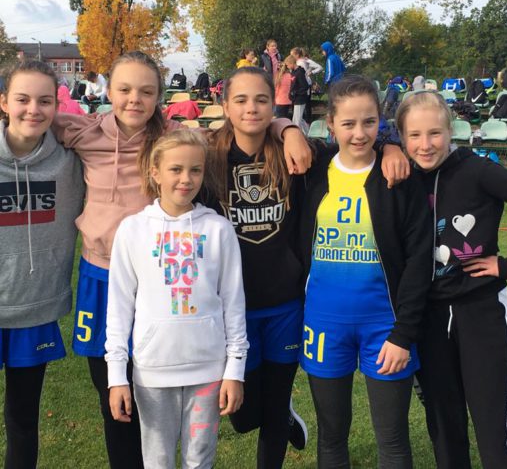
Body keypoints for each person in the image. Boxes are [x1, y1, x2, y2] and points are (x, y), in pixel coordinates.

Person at [52, 50, 312, 469]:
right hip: (104, 273)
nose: (134, 99)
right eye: (124, 89)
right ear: (109, 91)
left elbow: (244, 124)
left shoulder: (177, 136)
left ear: (159, 95)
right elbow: (33, 119)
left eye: (146, 91)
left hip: (174, 279)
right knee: (115, 398)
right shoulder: (84, 131)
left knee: (212, 406)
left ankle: (271, 409)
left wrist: (287, 126)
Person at [299, 75, 432, 468]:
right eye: (349, 123)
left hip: (385, 327)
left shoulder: (399, 176)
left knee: (392, 440)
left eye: (369, 122)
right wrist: (287, 129)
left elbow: (418, 260)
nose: (359, 133)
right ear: (330, 124)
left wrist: (403, 333)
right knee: (331, 437)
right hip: (324, 323)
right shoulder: (313, 171)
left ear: (380, 122)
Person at [105, 129, 248, 468]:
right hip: (152, 372)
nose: (186, 179)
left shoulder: (219, 230)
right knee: (157, 460)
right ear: (155, 172)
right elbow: (119, 307)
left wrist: (235, 369)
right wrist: (116, 376)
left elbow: (233, 303)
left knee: (200, 460)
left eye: (195, 170)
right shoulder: (133, 230)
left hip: (208, 371)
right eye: (175, 169)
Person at [202, 67, 310, 468]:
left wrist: (289, 129)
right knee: (244, 415)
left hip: (284, 303)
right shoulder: (207, 156)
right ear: (225, 106)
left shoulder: (293, 153)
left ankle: (280, 412)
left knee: (274, 405)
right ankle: (275, 410)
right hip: (232, 308)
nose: (252, 108)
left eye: (262, 100)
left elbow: (354, 147)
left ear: (273, 105)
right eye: (241, 100)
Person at [397, 91, 507, 469]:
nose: (425, 145)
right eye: (414, 135)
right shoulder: (401, 176)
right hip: (428, 320)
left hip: (480, 312)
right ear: (401, 137)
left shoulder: (478, 170)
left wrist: (505, 266)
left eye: (435, 133)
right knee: (445, 431)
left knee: (493, 432)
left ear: (451, 131)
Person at [0, 60, 84, 468]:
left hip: (35, 308)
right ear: (4, 103)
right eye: (23, 99)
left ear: (57, 106)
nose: (33, 109)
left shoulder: (72, 161)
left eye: (44, 101)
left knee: (22, 420)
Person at [290, 47, 323, 124]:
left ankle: (307, 122)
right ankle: (304, 124)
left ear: (297, 55)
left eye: (292, 55)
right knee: (299, 109)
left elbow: (320, 67)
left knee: (306, 106)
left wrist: (311, 72)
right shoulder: (296, 62)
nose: (291, 57)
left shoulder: (305, 61)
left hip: (305, 85)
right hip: (299, 85)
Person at [287, 55, 309, 134]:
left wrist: (296, 93)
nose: (287, 67)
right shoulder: (293, 72)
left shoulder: (299, 73)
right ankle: (308, 134)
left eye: (288, 65)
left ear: (292, 63)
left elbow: (305, 86)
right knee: (299, 118)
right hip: (295, 98)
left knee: (296, 120)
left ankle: (295, 135)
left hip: (300, 99)